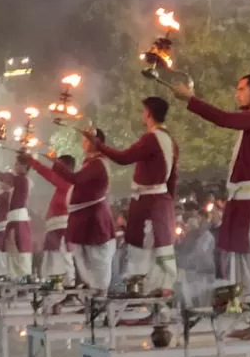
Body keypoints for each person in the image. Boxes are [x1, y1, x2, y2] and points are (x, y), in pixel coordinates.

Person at [172, 74, 250, 297]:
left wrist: (191, 99)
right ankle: (249, 310)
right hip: (242, 198)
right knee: (240, 257)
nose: (236, 94)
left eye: (241, 89)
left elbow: (222, 119)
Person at [92, 97, 178, 294]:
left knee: (143, 254)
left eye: (143, 111)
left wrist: (99, 145)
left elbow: (124, 158)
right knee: (159, 253)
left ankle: (149, 300)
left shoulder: (151, 138)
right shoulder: (170, 141)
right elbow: (173, 178)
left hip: (148, 205)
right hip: (160, 204)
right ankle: (157, 305)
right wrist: (168, 205)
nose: (142, 115)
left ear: (148, 113)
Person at [30, 130, 115, 292]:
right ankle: (91, 298)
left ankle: (98, 297)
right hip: (83, 219)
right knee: (83, 260)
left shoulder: (97, 163)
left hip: (93, 218)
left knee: (95, 260)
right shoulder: (90, 163)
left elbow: (74, 179)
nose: (83, 142)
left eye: (86, 139)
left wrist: (50, 162)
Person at [27, 154, 76, 286]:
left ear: (66, 168)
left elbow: (47, 173)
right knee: (50, 258)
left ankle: (69, 286)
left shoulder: (67, 183)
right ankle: (51, 283)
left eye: (57, 166)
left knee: (63, 258)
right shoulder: (61, 185)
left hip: (62, 228)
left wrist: (32, 162)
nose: (54, 169)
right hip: (53, 227)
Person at [0, 154, 33, 279]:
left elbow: (5, 177)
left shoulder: (22, 179)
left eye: (17, 164)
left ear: (24, 166)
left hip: (19, 218)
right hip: (13, 218)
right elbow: (6, 179)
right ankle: (14, 275)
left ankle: (24, 275)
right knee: (11, 245)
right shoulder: (17, 181)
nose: (14, 166)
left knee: (20, 247)